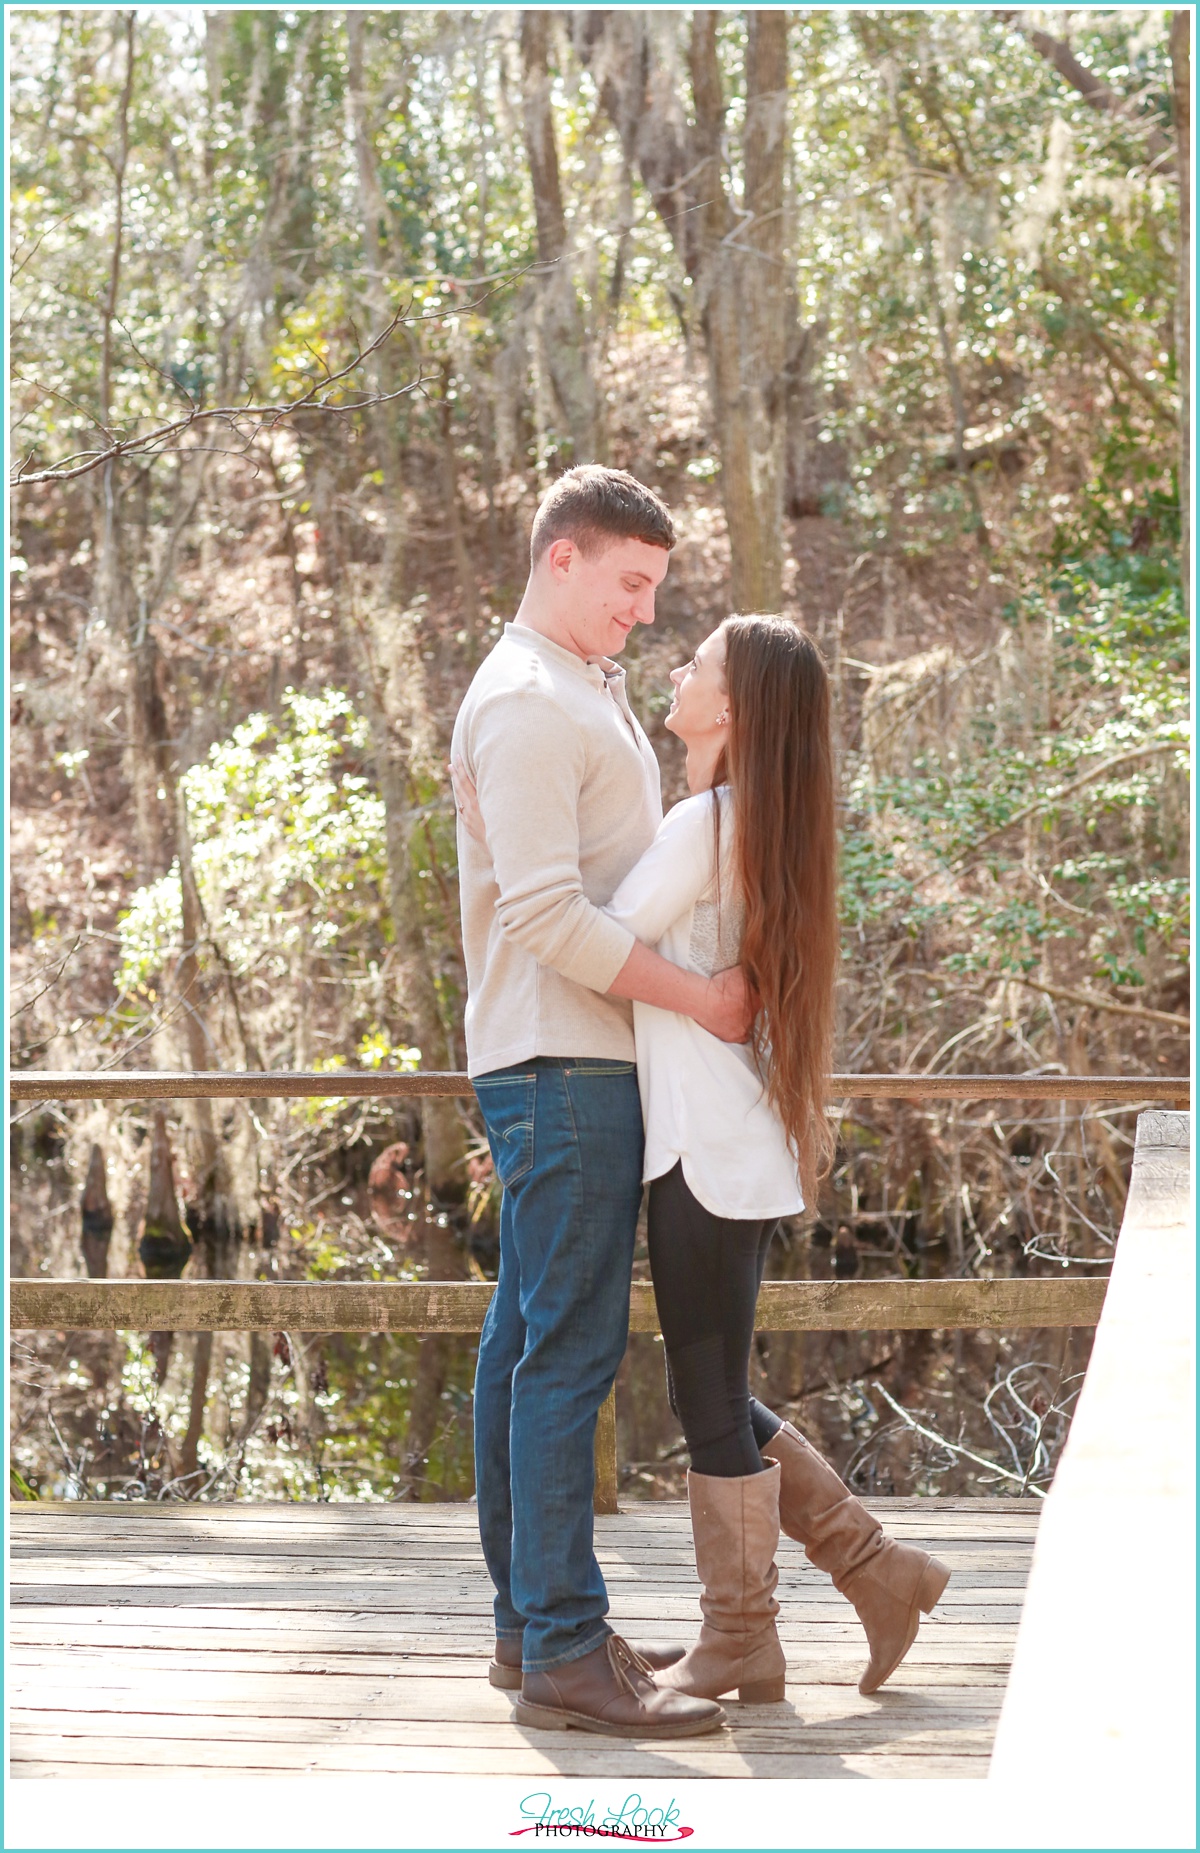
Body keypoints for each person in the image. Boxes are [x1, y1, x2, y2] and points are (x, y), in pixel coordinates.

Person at [458, 613, 951, 1709]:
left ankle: (753, 1635)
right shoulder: (749, 821)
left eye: (700, 667)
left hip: (701, 1143)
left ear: (730, 709)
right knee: (711, 1388)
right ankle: (871, 1574)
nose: (676, 669)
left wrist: (499, 842)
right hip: (722, 1134)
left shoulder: (700, 823)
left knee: (710, 1397)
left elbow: (600, 943)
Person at [449, 466, 750, 1741]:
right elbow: (544, 913)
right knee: (565, 1350)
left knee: (526, 1339)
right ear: (560, 559)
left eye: (652, 590)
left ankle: (535, 1627)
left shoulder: (583, 686)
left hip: (576, 1061)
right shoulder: (525, 702)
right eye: (628, 583)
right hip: (563, 1065)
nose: (641, 610)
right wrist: (698, 995)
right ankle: (567, 1641)